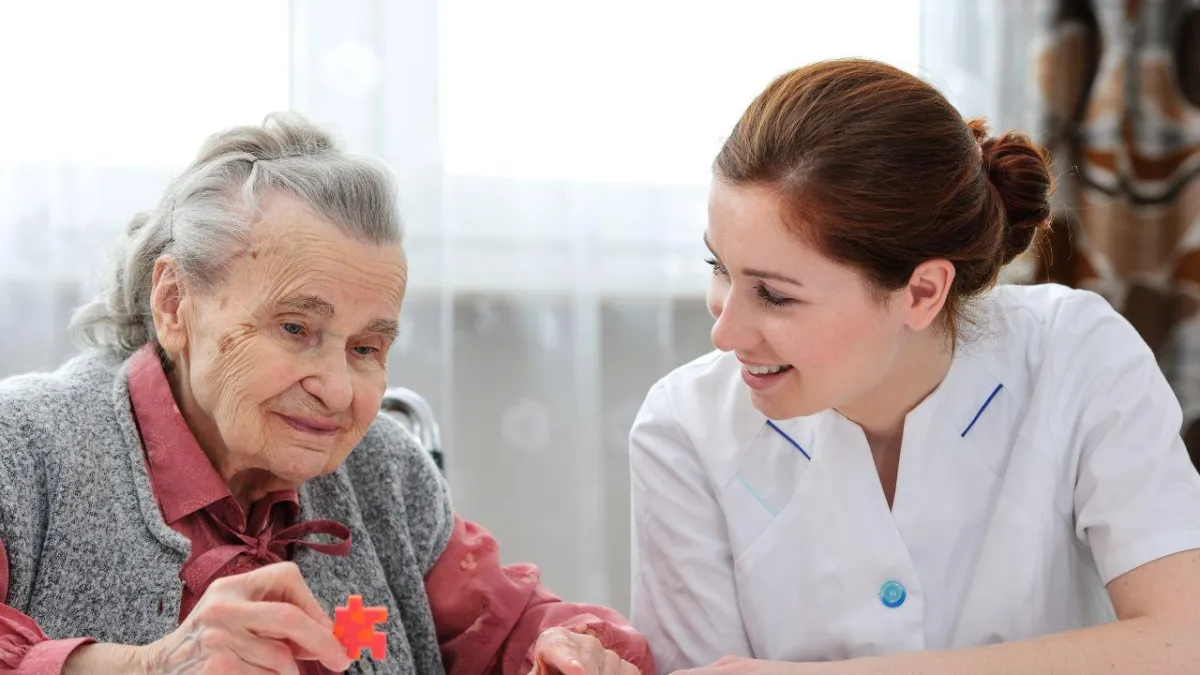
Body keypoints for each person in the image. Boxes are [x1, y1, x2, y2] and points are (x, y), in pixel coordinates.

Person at [0, 113, 652, 675]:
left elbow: (509, 624)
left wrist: (570, 646)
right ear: (174, 304)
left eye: (366, 348)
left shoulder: (383, 469)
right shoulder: (25, 447)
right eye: (295, 328)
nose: (338, 390)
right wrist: (148, 663)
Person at [628, 58, 1200, 674]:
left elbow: (1182, 641)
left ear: (923, 292)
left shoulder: (1075, 353)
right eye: (720, 268)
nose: (724, 331)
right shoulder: (682, 427)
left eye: (775, 295)